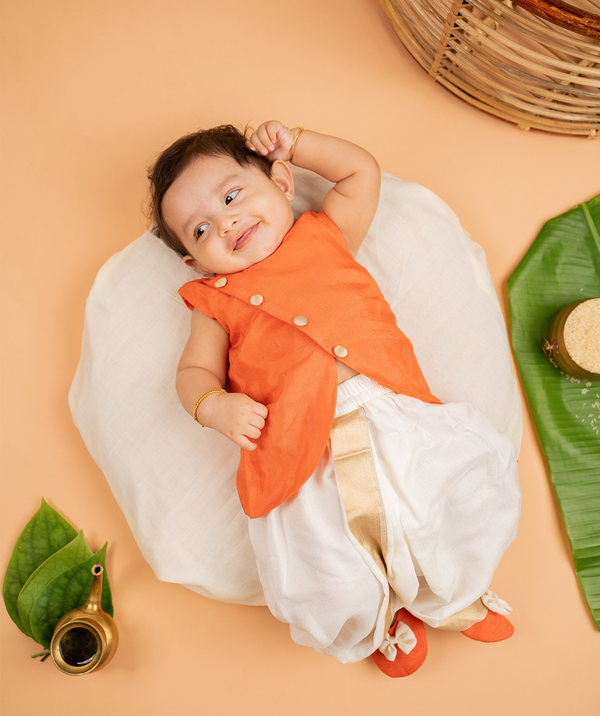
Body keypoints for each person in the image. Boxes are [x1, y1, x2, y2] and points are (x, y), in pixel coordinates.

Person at [147, 120, 521, 676]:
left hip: (393, 414)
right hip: (301, 454)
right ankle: (378, 623)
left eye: (232, 196)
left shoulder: (323, 235)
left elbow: (359, 172)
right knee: (327, 564)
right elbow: (194, 371)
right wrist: (213, 406)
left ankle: (456, 594)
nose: (225, 222)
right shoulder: (214, 302)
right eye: (200, 230)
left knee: (445, 499)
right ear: (196, 264)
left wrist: (294, 144)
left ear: (282, 183)